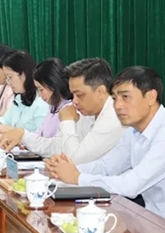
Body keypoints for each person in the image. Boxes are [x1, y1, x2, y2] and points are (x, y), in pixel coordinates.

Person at [47, 66, 165, 216]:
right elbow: (107, 166)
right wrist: (66, 168)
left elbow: (132, 185)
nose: (118, 105)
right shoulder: (133, 130)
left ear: (150, 97)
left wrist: (78, 177)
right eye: (115, 98)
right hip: (151, 218)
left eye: (125, 97)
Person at [0, 58, 125, 163]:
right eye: (73, 94)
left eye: (79, 95)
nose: (74, 101)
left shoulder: (114, 118)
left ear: (100, 92)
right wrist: (23, 134)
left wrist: (67, 121)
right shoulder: (89, 112)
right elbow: (55, 146)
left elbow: (75, 159)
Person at [0, 58, 72, 149]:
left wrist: (23, 135)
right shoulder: (53, 106)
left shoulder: (69, 109)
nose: (40, 95)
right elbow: (40, 134)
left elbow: (55, 145)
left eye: (41, 89)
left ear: (53, 85)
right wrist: (22, 141)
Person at [0, 50, 49, 133]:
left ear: (23, 75)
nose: (8, 82)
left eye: (10, 77)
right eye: (6, 78)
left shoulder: (41, 101)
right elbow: (5, 120)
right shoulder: (19, 98)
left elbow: (42, 137)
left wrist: (14, 131)